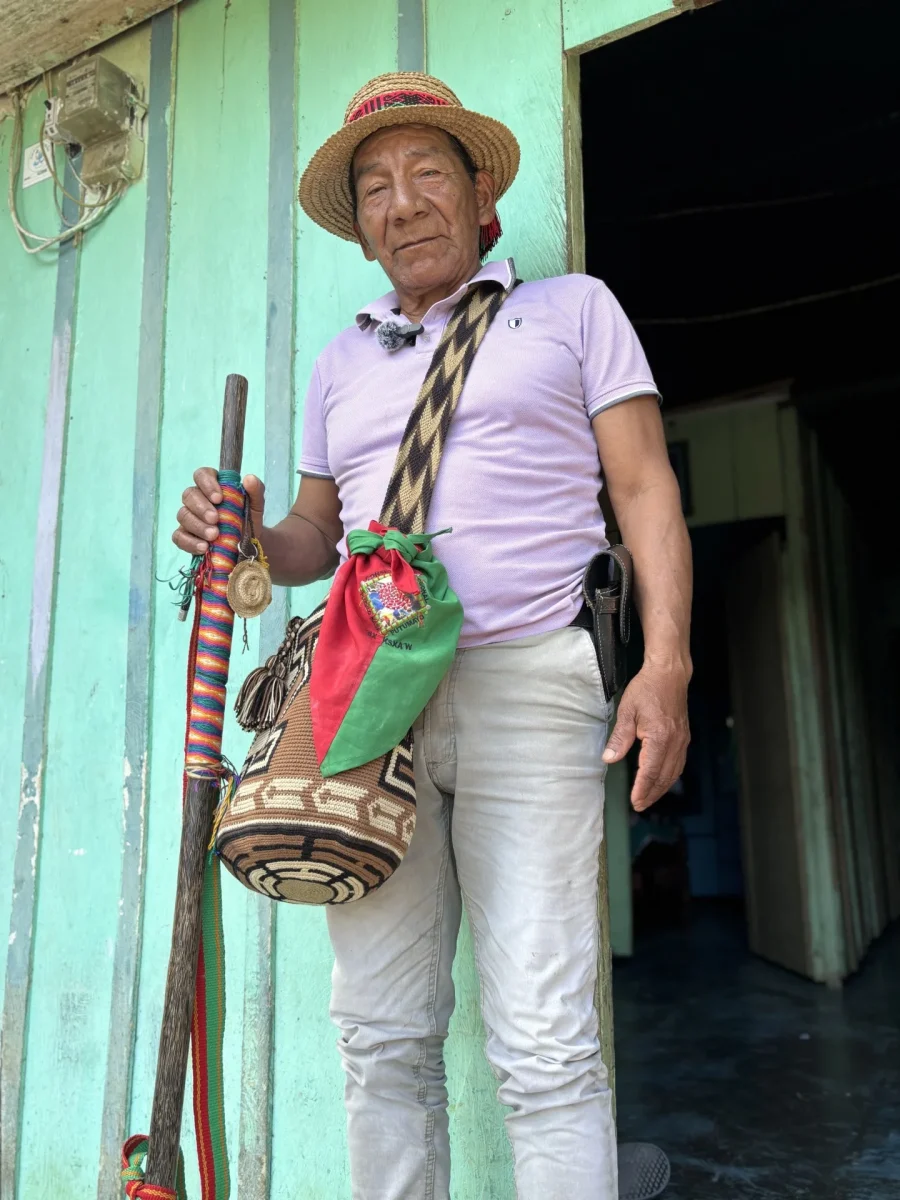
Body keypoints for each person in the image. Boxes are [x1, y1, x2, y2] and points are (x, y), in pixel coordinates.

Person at [173, 72, 691, 1200]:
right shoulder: (339, 362)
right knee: (380, 1034)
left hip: (532, 682)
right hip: (366, 701)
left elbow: (647, 491)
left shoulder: (575, 312)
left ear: (480, 190)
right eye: (376, 188)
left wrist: (668, 663)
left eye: (426, 174)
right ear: (358, 227)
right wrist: (245, 531)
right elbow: (315, 535)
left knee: (546, 1039)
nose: (403, 203)